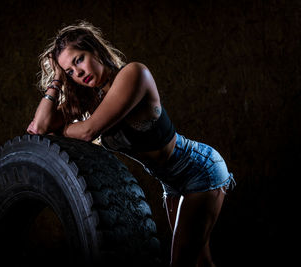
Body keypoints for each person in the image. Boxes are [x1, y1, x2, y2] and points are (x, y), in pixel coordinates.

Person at [27, 21, 235, 267]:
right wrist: (56, 82)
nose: (78, 73)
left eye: (78, 60)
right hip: (171, 183)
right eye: (69, 71)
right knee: (200, 261)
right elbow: (39, 127)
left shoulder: (134, 74)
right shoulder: (91, 99)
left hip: (198, 169)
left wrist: (63, 129)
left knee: (180, 263)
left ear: (94, 49)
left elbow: (88, 131)